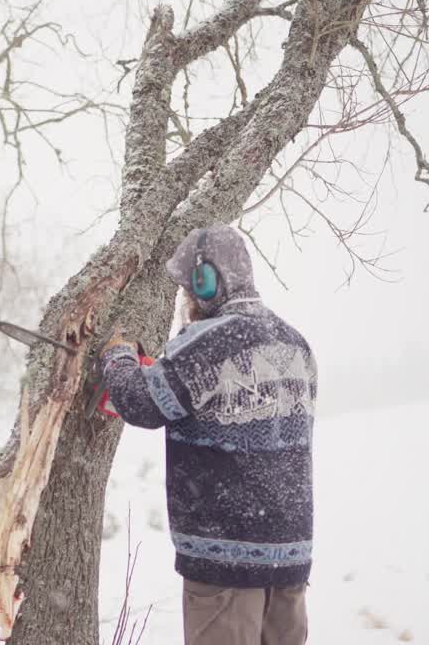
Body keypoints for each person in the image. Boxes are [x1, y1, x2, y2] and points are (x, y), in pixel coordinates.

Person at [99, 224, 317, 645]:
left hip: (226, 561)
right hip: (290, 556)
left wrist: (118, 356)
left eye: (190, 287)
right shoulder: (297, 345)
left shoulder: (208, 343)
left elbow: (141, 404)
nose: (188, 299)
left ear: (209, 279)